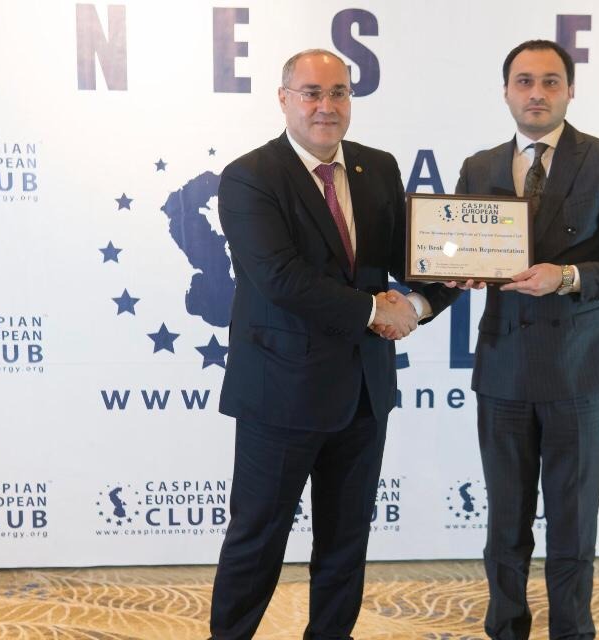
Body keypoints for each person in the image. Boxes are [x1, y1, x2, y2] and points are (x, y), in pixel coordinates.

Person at [210, 48, 457, 639]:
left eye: (339, 92)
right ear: (284, 99)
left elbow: (413, 258)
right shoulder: (250, 176)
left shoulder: (378, 168)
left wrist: (443, 283)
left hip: (363, 393)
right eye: (312, 93)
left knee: (346, 543)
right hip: (280, 394)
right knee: (257, 540)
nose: (326, 106)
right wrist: (374, 310)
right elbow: (280, 277)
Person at [450, 40, 599, 640]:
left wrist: (567, 277)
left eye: (550, 81)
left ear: (570, 90)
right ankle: (505, 628)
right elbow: (456, 253)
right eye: (524, 81)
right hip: (504, 365)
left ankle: (572, 630)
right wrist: (454, 272)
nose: (536, 93)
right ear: (505, 91)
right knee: (505, 520)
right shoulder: (478, 166)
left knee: (572, 519)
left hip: (579, 366)